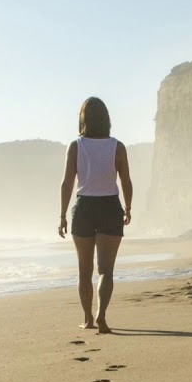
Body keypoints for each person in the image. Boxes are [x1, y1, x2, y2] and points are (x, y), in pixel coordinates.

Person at [58, 96, 132, 333]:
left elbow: (67, 183)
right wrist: (128, 208)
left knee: (84, 270)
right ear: (106, 119)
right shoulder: (117, 147)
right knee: (106, 271)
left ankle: (88, 318)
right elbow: (126, 181)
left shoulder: (76, 146)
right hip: (110, 207)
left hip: (84, 208)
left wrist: (62, 216)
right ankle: (102, 316)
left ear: (83, 119)